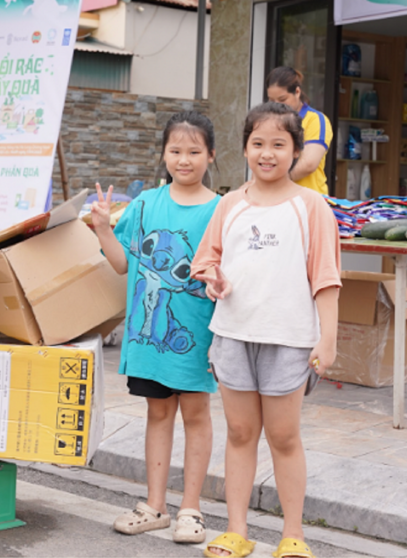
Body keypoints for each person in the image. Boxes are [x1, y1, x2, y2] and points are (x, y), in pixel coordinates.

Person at [192, 102, 341, 558]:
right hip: (234, 335)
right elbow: (206, 262)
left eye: (279, 144)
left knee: (284, 436)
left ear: (295, 151)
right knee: (239, 434)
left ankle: (293, 535)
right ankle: (237, 531)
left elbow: (326, 276)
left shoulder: (311, 206)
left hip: (290, 340)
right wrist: (212, 278)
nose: (267, 153)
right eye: (258, 143)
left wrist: (328, 338)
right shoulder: (229, 204)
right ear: (245, 149)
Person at [91, 111, 220, 544]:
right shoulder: (145, 203)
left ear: (211, 155)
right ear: (164, 154)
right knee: (158, 413)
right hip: (149, 340)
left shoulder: (221, 210)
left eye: (194, 151)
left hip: (198, 337)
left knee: (196, 416)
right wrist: (103, 228)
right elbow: (122, 264)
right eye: (176, 151)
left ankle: (191, 509)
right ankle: (155, 505)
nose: (184, 160)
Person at [266, 67, 332, 196]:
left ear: (297, 92)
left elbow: (308, 164)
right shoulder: (268, 121)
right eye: (271, 101)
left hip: (310, 201)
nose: (277, 106)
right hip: (277, 199)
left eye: (282, 100)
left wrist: (270, 180)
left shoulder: (316, 120)